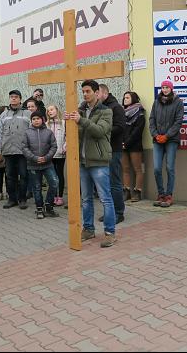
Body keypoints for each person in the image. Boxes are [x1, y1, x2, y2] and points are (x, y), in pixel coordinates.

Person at [66, 80, 116, 248]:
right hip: (83, 162)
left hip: (99, 161)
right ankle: (88, 229)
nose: (85, 94)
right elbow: (77, 134)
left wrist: (81, 121)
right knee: (86, 199)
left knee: (105, 198)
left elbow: (99, 131)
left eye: (88, 91)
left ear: (97, 93)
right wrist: (69, 122)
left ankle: (110, 232)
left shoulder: (106, 111)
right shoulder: (79, 111)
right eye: (83, 91)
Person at [149, 80, 184, 207]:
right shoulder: (156, 102)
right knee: (157, 168)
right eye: (163, 87)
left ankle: (169, 195)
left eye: (167, 87)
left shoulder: (178, 102)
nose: (164, 89)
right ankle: (161, 194)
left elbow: (178, 121)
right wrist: (155, 135)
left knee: (169, 168)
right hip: (157, 140)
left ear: (171, 89)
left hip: (171, 140)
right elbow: (151, 119)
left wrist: (167, 136)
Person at [0, 90, 32, 209]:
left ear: (20, 99)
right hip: (8, 150)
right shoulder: (4, 115)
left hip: (23, 151)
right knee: (10, 176)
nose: (13, 99)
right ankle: (12, 199)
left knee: (23, 175)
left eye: (16, 97)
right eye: (11, 97)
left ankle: (22, 199)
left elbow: (32, 131)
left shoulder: (27, 114)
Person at [97, 84, 126, 223]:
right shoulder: (99, 107)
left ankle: (119, 212)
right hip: (102, 149)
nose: (95, 96)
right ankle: (109, 212)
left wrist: (103, 131)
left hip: (114, 149)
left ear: (105, 93)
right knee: (105, 183)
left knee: (115, 182)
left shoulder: (116, 107)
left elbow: (120, 127)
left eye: (98, 93)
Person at [22, 110, 59, 219]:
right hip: (33, 165)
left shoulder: (48, 132)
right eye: (34, 119)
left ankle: (48, 205)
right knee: (36, 187)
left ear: (42, 120)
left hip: (48, 164)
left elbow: (54, 146)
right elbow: (24, 148)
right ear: (31, 121)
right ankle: (39, 208)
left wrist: (46, 157)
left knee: (54, 183)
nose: (36, 121)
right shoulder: (27, 133)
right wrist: (35, 158)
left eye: (38, 118)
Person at [122, 91, 145, 202]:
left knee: (137, 169)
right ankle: (126, 192)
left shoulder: (140, 113)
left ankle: (137, 192)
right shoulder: (122, 113)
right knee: (125, 169)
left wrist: (127, 143)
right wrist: (122, 142)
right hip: (123, 145)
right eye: (124, 98)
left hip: (134, 145)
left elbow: (137, 131)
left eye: (127, 97)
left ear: (133, 99)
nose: (125, 99)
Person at [46, 105, 66, 207]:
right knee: (51, 176)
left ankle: (60, 196)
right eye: (48, 110)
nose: (50, 111)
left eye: (52, 109)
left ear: (57, 110)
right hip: (50, 155)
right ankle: (53, 196)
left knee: (60, 174)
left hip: (60, 154)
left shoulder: (63, 123)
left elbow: (67, 136)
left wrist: (64, 146)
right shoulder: (46, 125)